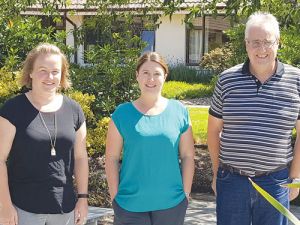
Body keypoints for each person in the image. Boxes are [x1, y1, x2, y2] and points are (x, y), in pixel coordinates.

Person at [207, 11, 300, 225]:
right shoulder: (227, 80)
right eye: (255, 42)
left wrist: (295, 177)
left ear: (278, 42)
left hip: (275, 182)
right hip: (232, 181)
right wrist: (216, 173)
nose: (262, 49)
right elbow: (213, 130)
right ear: (246, 44)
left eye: (267, 41)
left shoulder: (297, 80)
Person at [0, 43, 89, 225]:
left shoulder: (74, 110)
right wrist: (5, 205)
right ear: (30, 72)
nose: (50, 77)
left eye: (55, 71)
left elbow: (80, 158)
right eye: (43, 70)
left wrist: (83, 198)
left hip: (64, 208)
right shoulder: (13, 109)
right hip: (22, 209)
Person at [105, 51, 195, 225]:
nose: (151, 79)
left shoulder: (179, 111)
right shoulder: (122, 114)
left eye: (157, 74)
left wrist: (186, 193)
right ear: (137, 76)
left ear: (165, 77)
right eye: (145, 73)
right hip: (129, 206)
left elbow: (188, 156)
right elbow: (112, 158)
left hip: (171, 204)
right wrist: (115, 197)